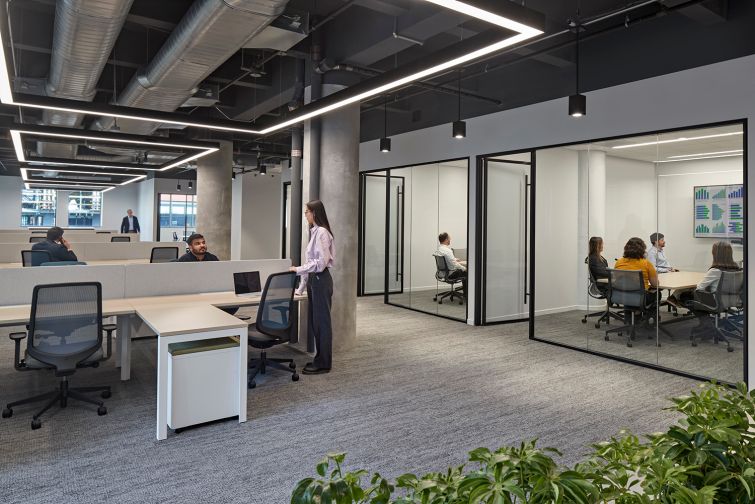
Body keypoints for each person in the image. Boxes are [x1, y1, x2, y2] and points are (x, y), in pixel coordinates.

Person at [290, 200, 335, 375]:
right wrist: (301, 288)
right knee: (316, 324)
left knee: (322, 324)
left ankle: (324, 363)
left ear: (314, 213)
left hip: (321, 280)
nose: (305, 215)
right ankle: (320, 359)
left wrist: (297, 269)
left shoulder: (322, 232)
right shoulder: (314, 232)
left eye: (307, 212)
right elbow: (310, 262)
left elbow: (321, 263)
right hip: (314, 281)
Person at [615, 237, 658, 312]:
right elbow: (655, 284)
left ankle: (631, 313)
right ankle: (644, 314)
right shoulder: (646, 263)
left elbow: (618, 280)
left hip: (621, 296)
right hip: (640, 297)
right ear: (642, 250)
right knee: (657, 294)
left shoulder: (619, 262)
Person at [436, 232, 467, 296]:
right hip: (451, 274)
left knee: (463, 270)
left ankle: (465, 292)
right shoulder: (448, 251)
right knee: (468, 272)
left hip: (442, 273)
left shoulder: (439, 249)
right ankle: (467, 294)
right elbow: (454, 264)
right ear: (446, 239)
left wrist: (454, 259)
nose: (450, 240)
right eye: (449, 238)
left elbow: (446, 259)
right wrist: (464, 268)